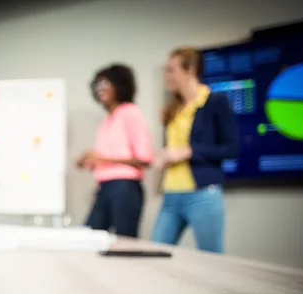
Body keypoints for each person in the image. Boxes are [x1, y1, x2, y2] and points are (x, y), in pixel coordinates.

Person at [151, 46, 239, 253]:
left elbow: (231, 148)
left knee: (212, 260)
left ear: (190, 70)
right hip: (171, 195)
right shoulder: (174, 108)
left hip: (202, 195)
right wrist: (164, 157)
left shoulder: (215, 102)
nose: (167, 76)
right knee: (153, 253)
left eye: (171, 70)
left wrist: (189, 151)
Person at [76, 64, 154, 238]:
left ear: (119, 84)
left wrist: (103, 159)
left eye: (105, 84)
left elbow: (145, 158)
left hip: (125, 187)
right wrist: (91, 161)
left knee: (125, 243)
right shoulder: (107, 120)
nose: (99, 89)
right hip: (104, 187)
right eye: (97, 85)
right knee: (90, 237)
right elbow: (107, 158)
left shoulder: (131, 113)